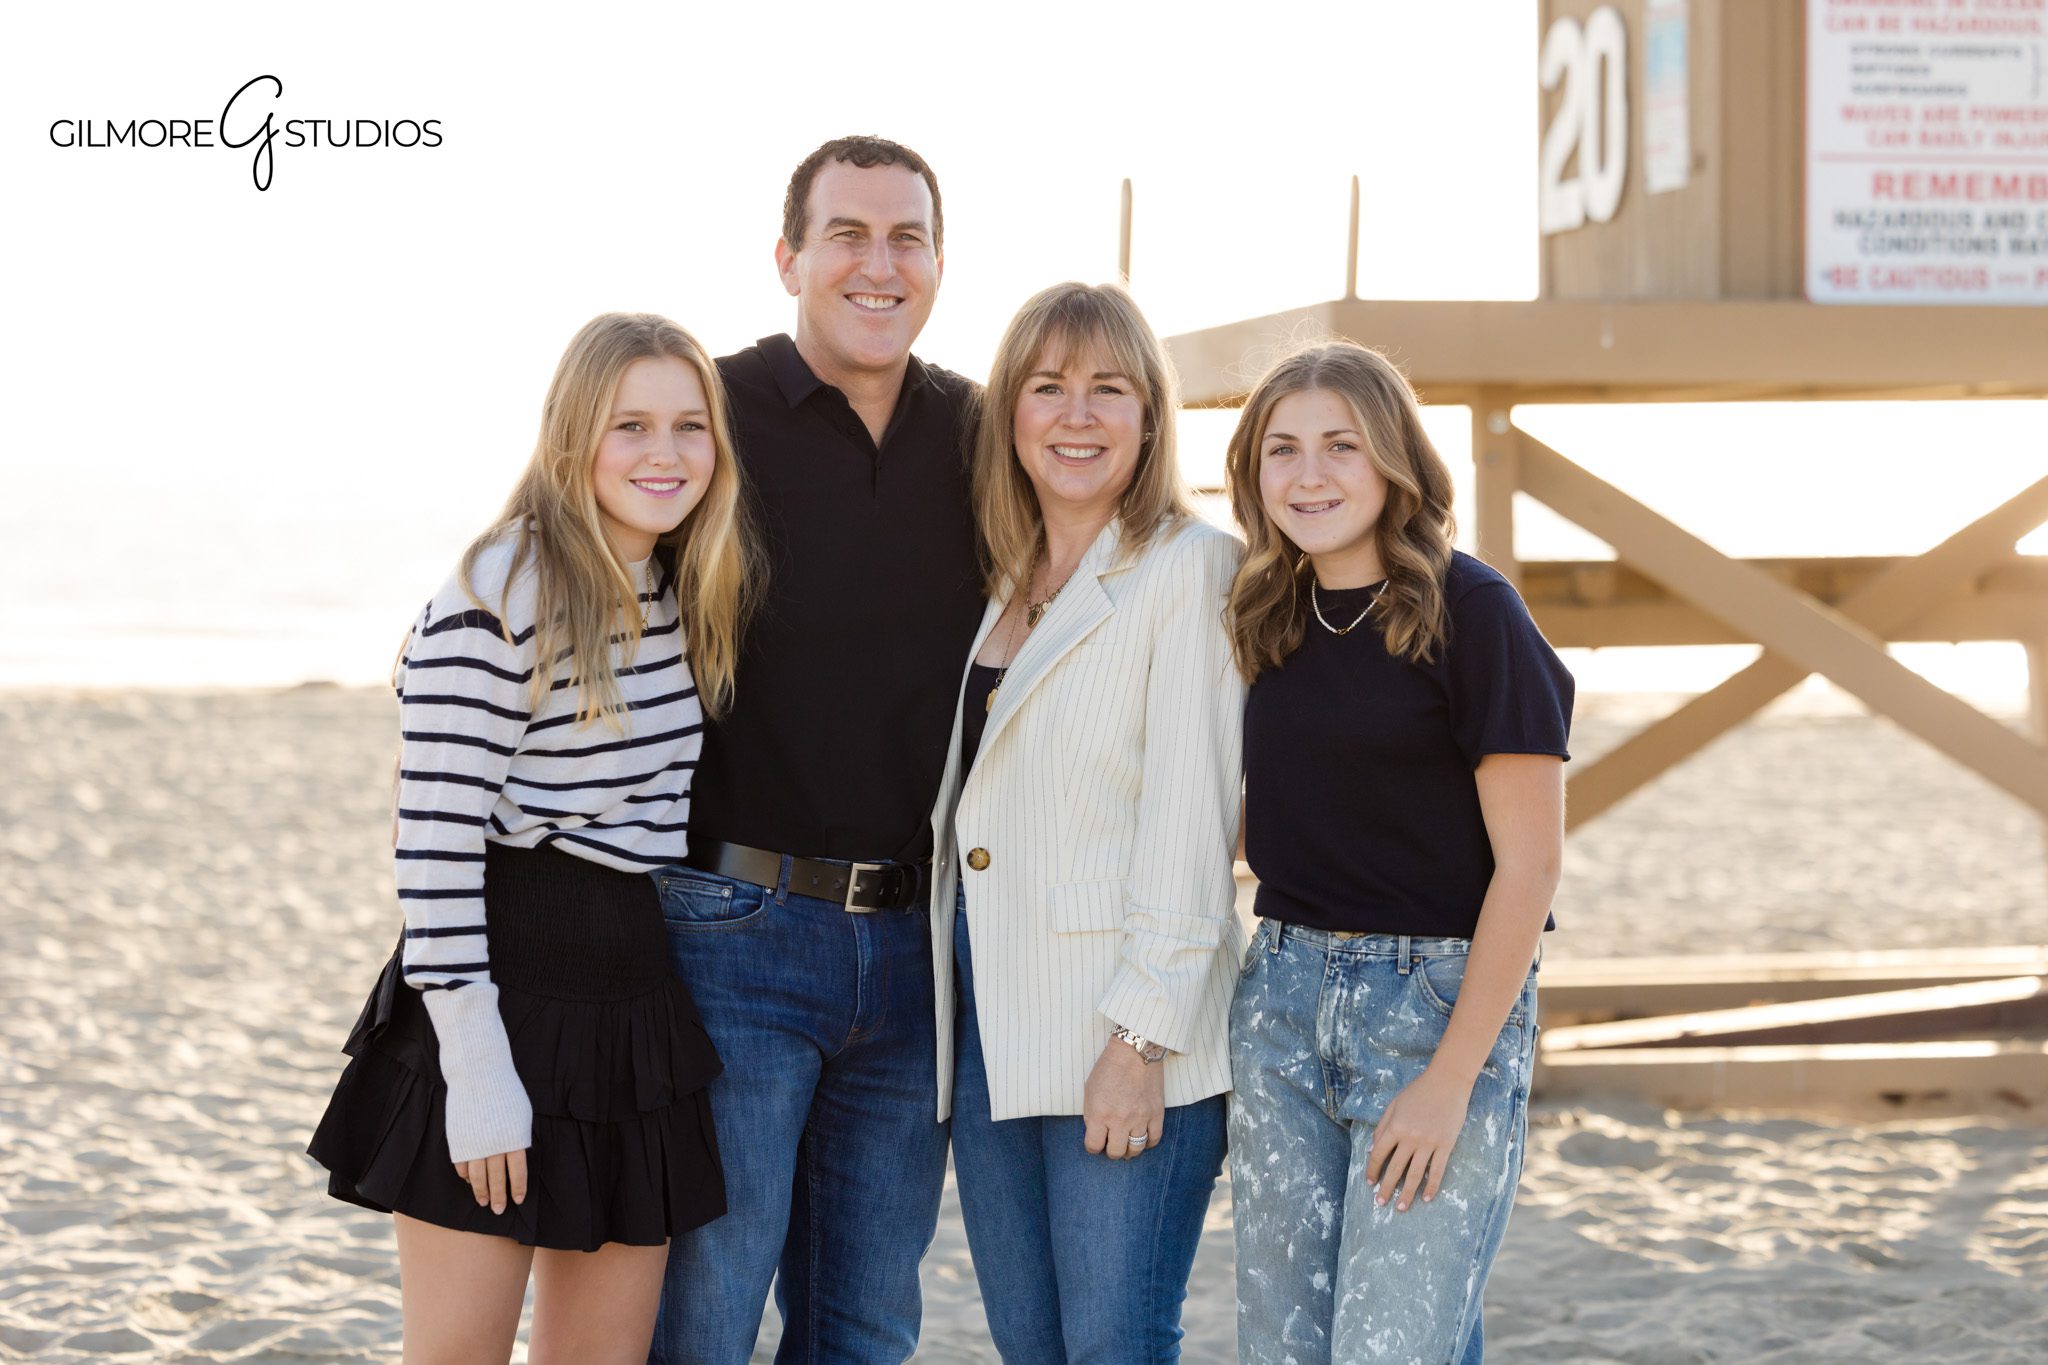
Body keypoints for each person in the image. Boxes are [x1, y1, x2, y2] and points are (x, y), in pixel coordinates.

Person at [309, 312, 757, 1363]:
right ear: (570, 441)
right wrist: (478, 1070)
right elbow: (430, 843)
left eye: (689, 427)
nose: (664, 453)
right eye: (630, 425)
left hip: (632, 1002)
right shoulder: (499, 590)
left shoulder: (674, 584)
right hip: (500, 992)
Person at [648, 136, 983, 1365]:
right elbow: (576, 557)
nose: (877, 264)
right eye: (846, 234)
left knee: (864, 1325)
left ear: (939, 263)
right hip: (732, 933)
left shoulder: (980, 432)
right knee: (705, 1311)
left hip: (914, 958)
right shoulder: (712, 412)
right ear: (788, 257)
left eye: (907, 238)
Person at [1223, 341, 1573, 1365]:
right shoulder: (1262, 615)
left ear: (1394, 463)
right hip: (1280, 999)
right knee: (1286, 1350)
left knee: (1389, 1348)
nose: (1309, 474)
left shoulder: (1474, 613)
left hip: (1432, 1009)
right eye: (1280, 450)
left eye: (1340, 445)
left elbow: (1530, 867)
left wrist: (1449, 1075)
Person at [926, 282, 1244, 1362]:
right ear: (1007, 413)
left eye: (1107, 389)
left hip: (1123, 1030)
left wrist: (1138, 1038)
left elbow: (1192, 820)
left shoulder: (1187, 569)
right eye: (1047, 387)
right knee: (1032, 1346)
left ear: (1150, 415)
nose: (1075, 415)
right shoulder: (998, 580)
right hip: (992, 1031)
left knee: (1113, 1343)